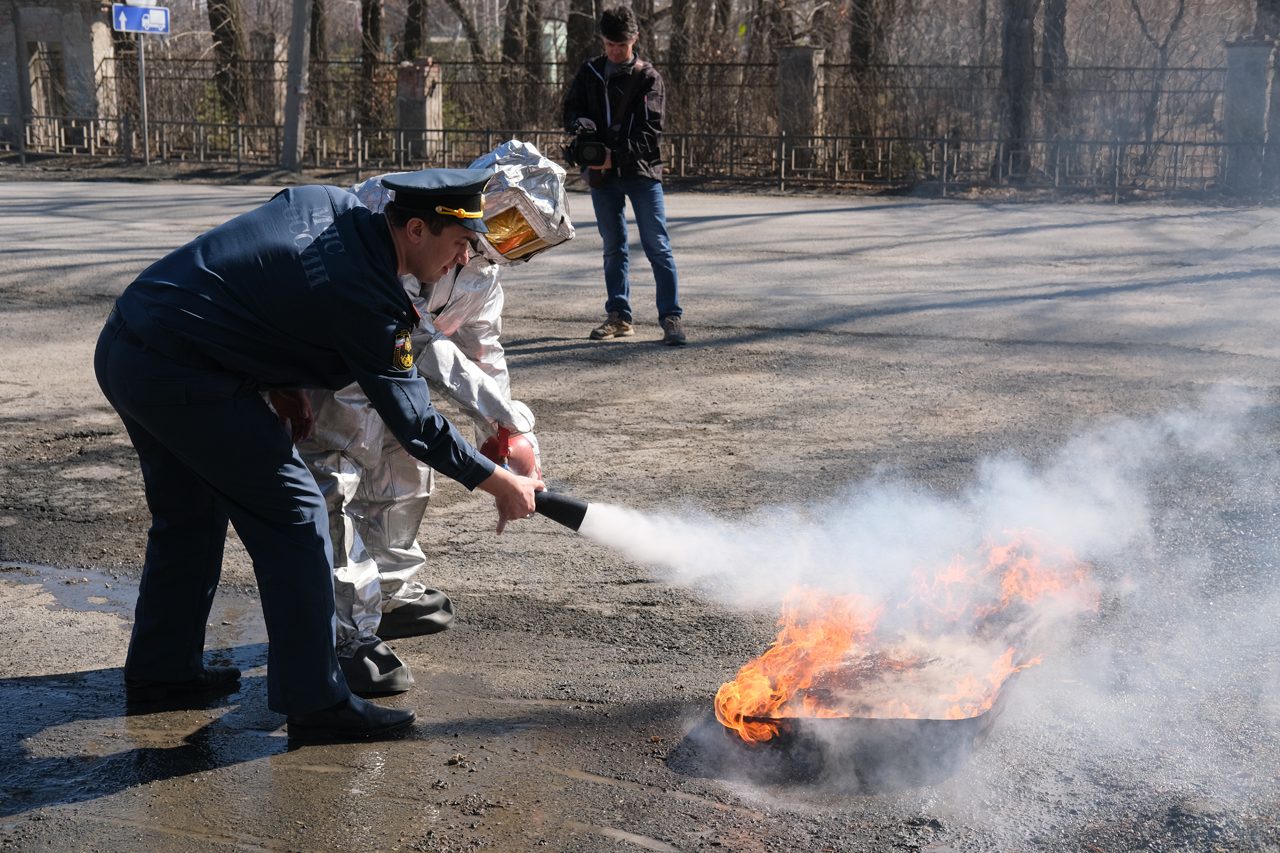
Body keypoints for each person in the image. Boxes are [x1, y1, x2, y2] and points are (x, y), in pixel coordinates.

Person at [94, 168, 544, 743]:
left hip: (132, 345)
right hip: (184, 375)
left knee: (189, 517)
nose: (462, 261)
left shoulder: (327, 204)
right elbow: (415, 423)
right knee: (297, 516)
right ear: (414, 230)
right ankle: (315, 701)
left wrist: (276, 375)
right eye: (459, 245)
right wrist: (495, 481)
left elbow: (259, 288)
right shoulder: (366, 293)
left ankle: (163, 674)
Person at [298, 140, 574, 695]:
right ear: (489, 201)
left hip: (398, 381)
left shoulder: (478, 275)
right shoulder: (391, 215)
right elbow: (421, 338)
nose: (506, 247)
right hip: (332, 375)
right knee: (333, 491)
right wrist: (504, 413)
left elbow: (482, 351)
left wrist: (508, 433)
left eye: (524, 242)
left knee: (406, 480)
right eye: (512, 227)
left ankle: (392, 592)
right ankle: (346, 635)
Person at [563, 4, 687, 346]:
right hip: (603, 178)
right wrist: (579, 126)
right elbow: (569, 110)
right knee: (613, 247)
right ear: (602, 41)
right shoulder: (589, 73)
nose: (616, 51)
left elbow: (651, 133)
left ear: (635, 39)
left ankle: (671, 317)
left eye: (622, 45)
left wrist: (612, 157)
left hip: (642, 173)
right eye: (610, 45)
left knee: (657, 245)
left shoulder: (648, 78)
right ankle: (619, 315)